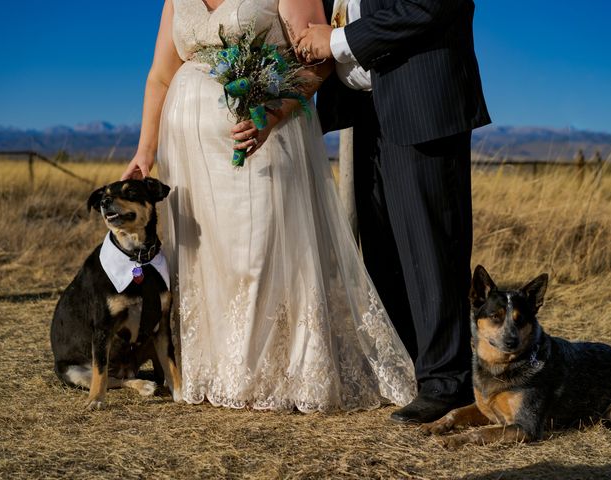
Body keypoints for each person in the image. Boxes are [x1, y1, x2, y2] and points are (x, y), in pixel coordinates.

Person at [120, 0, 417, 412]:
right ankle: (212, 369)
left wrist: (270, 116)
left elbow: (317, 61)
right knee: (207, 259)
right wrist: (144, 152)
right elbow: (159, 76)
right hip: (188, 160)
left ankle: (267, 375)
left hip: (264, 143)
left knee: (254, 254)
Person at [295, 0, 491, 423]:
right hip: (368, 106)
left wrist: (334, 40)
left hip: (422, 98)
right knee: (384, 247)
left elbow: (431, 6)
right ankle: (408, 371)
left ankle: (446, 382)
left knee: (430, 245)